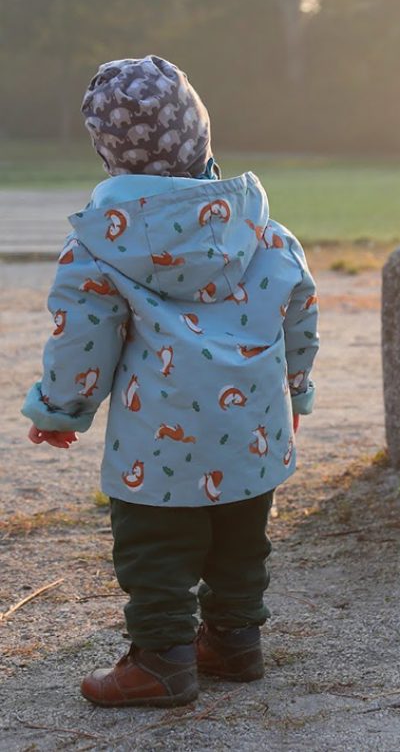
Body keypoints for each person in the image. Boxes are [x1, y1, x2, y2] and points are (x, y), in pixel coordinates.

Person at [21, 55, 320, 707]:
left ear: (109, 155)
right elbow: (300, 313)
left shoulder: (102, 244)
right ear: (200, 134)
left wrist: (60, 407)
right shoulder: (264, 230)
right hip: (252, 437)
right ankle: (235, 643)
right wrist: (295, 391)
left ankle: (161, 659)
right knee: (243, 541)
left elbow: (82, 336)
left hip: (156, 449)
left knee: (154, 548)